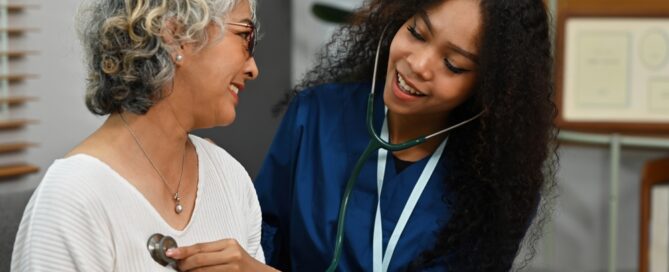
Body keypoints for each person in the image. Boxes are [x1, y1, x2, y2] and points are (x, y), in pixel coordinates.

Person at [255, 0, 557, 271]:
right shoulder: (316, 115)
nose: (418, 65)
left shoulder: (497, 185)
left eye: (453, 65)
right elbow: (260, 242)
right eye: (416, 33)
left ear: (489, 89)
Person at [11, 0, 278, 271]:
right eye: (245, 36)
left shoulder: (231, 179)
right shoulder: (72, 198)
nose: (253, 69)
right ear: (176, 36)